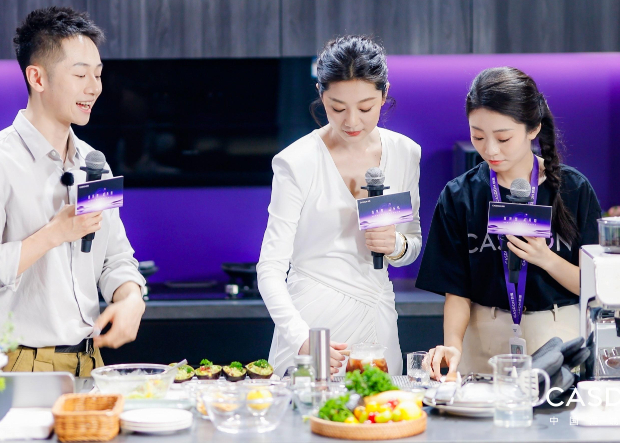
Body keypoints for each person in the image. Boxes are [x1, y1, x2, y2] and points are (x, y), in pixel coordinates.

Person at [0, 6, 146, 377]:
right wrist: (52, 235)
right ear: (37, 77)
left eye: (98, 74)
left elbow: (115, 257)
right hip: (20, 366)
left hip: (90, 364)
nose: (94, 88)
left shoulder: (95, 164)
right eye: (80, 74)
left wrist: (131, 295)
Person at [416, 67, 601, 378]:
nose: (490, 150)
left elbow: (595, 285)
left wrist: (546, 258)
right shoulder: (459, 195)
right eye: (478, 136)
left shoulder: (574, 189)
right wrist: (452, 347)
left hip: (557, 340)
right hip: (483, 343)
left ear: (533, 129)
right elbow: (456, 293)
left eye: (503, 138)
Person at [257, 36, 422, 377]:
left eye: (365, 108)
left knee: (380, 407)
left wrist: (395, 245)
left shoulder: (405, 153)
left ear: (384, 94)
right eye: (337, 108)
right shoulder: (296, 161)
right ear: (321, 94)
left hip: (377, 319)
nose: (352, 122)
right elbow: (270, 268)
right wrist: (301, 337)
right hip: (310, 323)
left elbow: (412, 243)